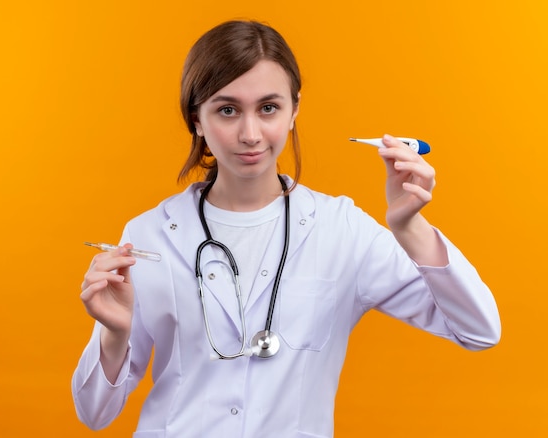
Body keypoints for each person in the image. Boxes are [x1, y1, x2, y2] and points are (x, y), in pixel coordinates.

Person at [72, 20, 500, 437]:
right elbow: (94, 414)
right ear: (196, 119)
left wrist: (411, 229)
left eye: (269, 108)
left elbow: (479, 331)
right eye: (227, 110)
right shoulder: (150, 235)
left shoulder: (341, 230)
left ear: (294, 110)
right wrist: (115, 333)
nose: (251, 133)